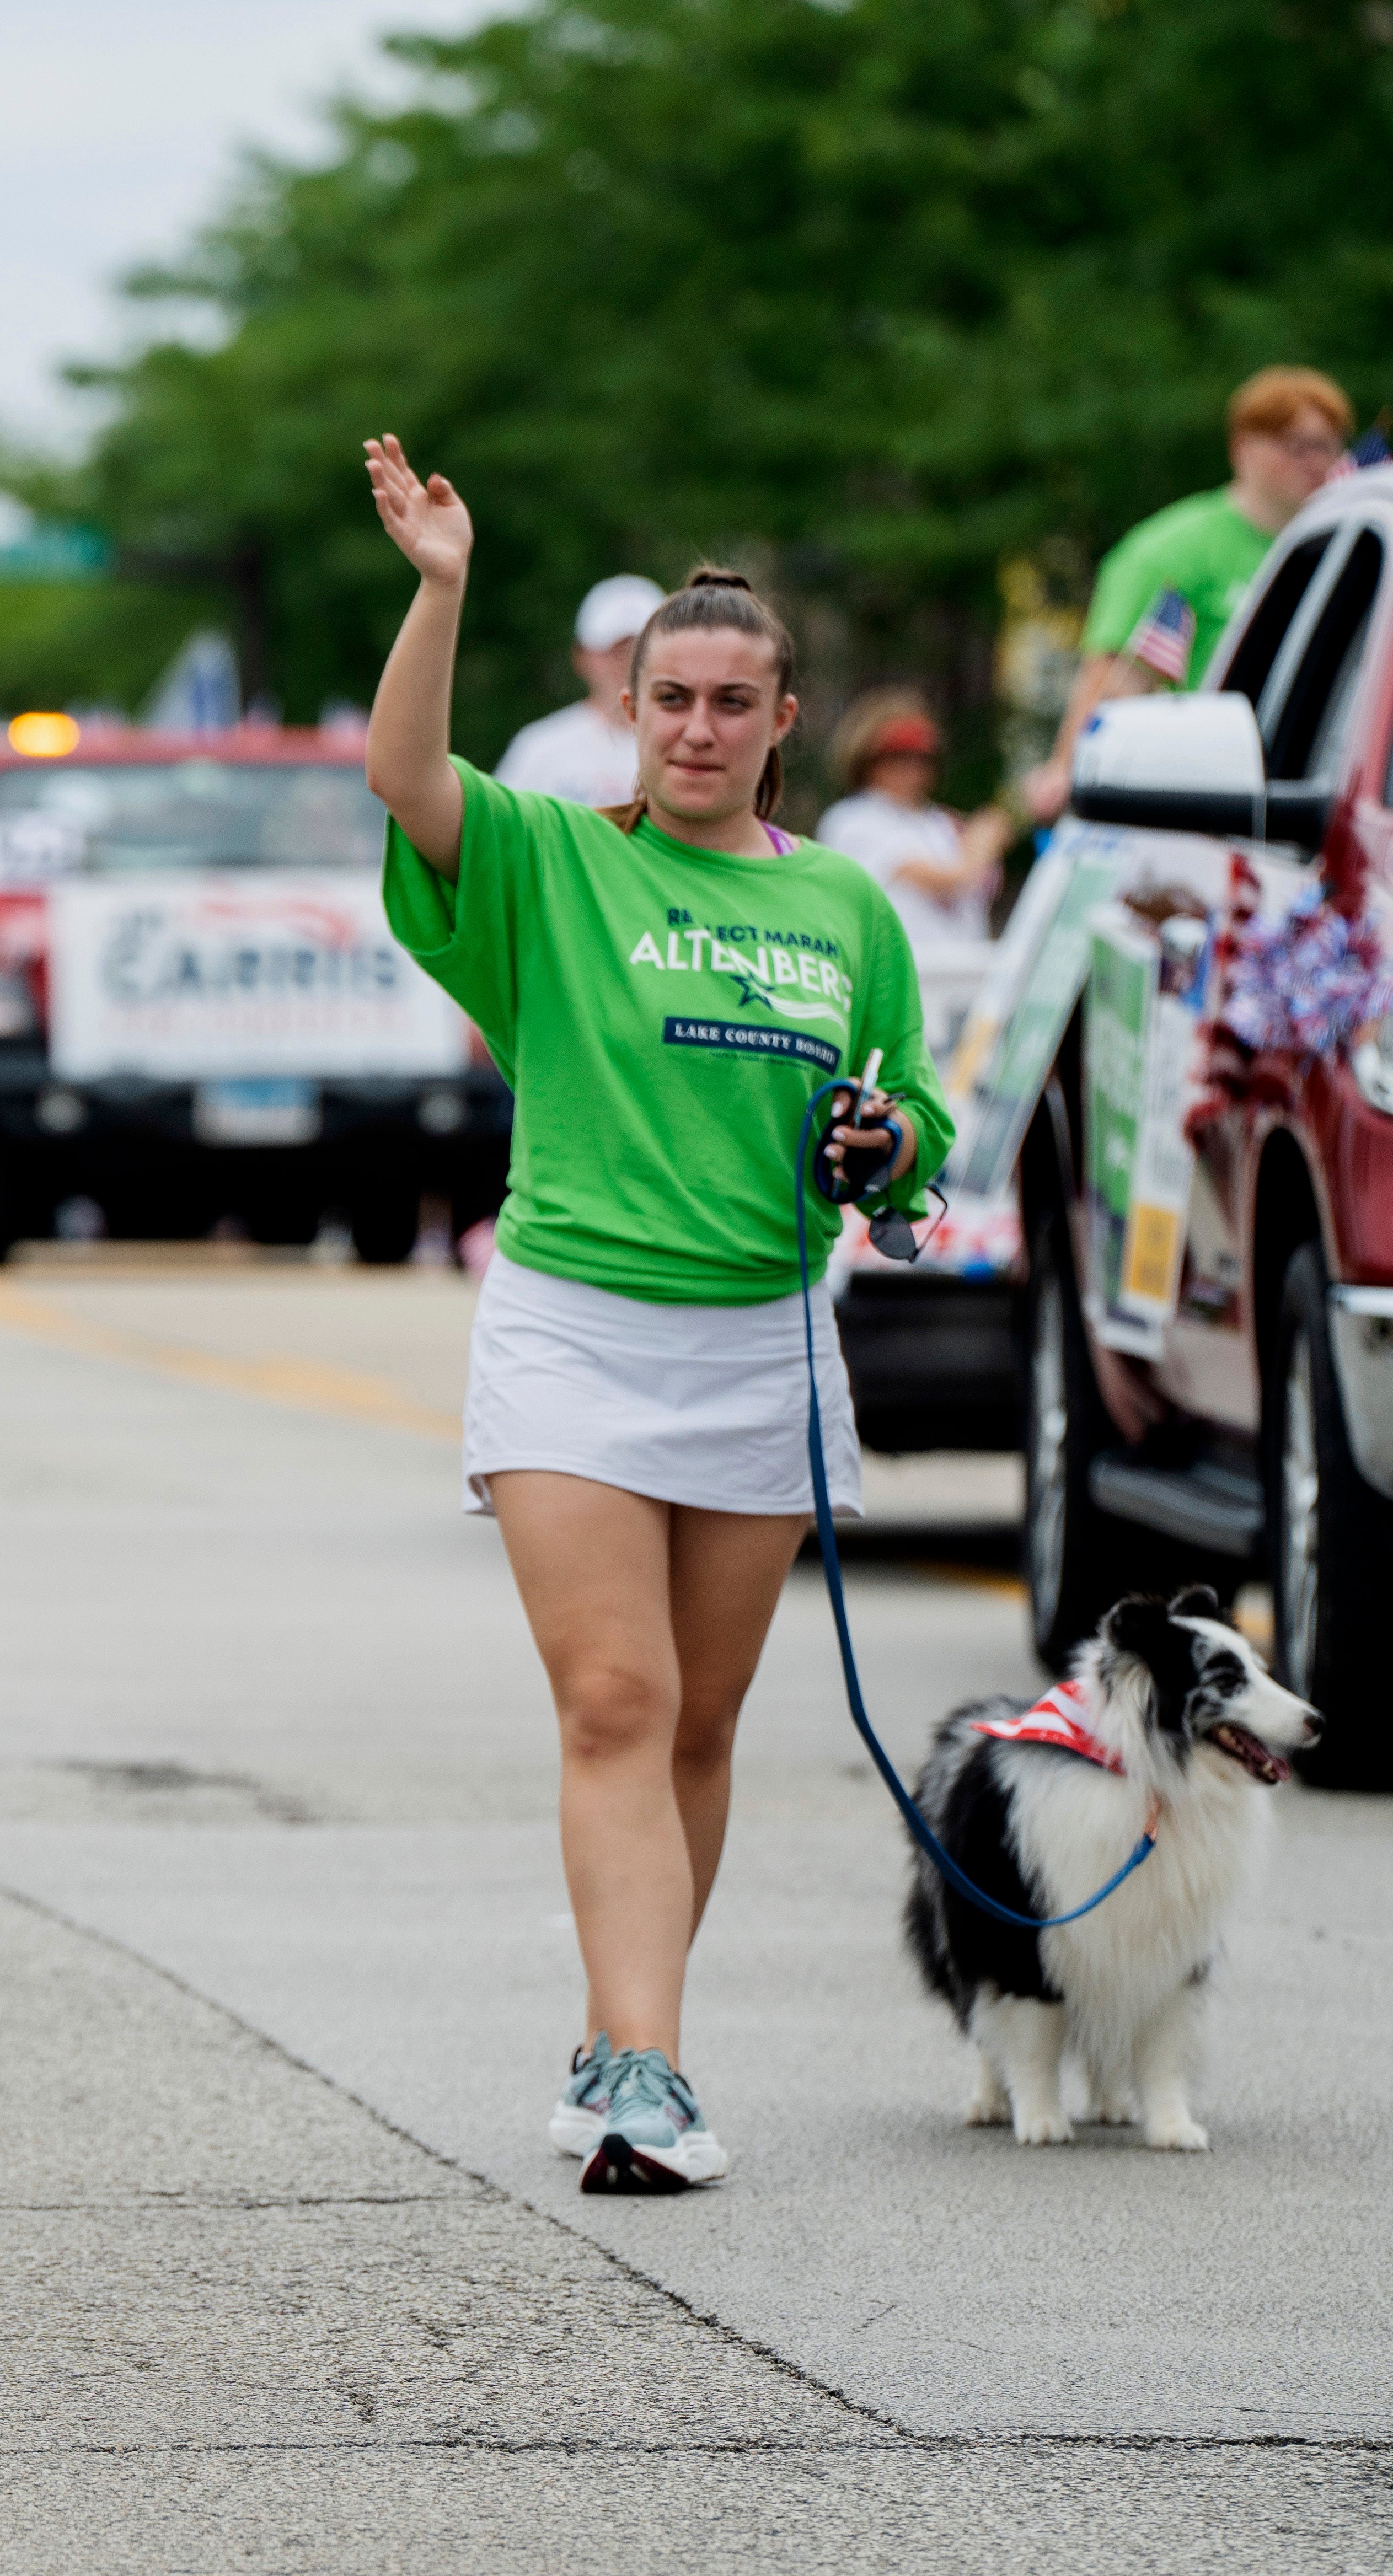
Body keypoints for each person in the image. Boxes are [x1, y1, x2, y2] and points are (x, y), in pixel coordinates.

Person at [359, 436, 950, 2195]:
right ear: (625, 709)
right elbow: (403, 774)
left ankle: (625, 2023)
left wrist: (885, 1146)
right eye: (664, 698)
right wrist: (441, 587)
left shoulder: (843, 902)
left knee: (697, 1725)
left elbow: (910, 1120)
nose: (692, 727)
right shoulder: (549, 861)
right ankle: (644, 2064)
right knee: (613, 1699)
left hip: (757, 1347)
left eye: (727, 702)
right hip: (571, 1333)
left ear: (782, 719)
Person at [1022, 366, 1354, 822]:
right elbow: (1117, 686)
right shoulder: (1171, 552)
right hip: (1215, 799)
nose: (1315, 462)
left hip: (1329, 785)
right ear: (1243, 449)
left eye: (1327, 445)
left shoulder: (1354, 549)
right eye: (1297, 445)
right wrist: (1070, 771)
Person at [811, 694, 1014, 1040]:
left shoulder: (935, 822)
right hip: (903, 989)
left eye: (923, 759)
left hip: (966, 983)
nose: (914, 770)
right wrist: (985, 838)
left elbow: (982, 887)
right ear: (868, 762)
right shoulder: (855, 820)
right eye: (899, 759)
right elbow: (949, 880)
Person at [492, 574, 667, 807]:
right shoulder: (539, 748)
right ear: (581, 656)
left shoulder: (687, 747)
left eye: (640, 648)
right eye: (614, 649)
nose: (628, 662)